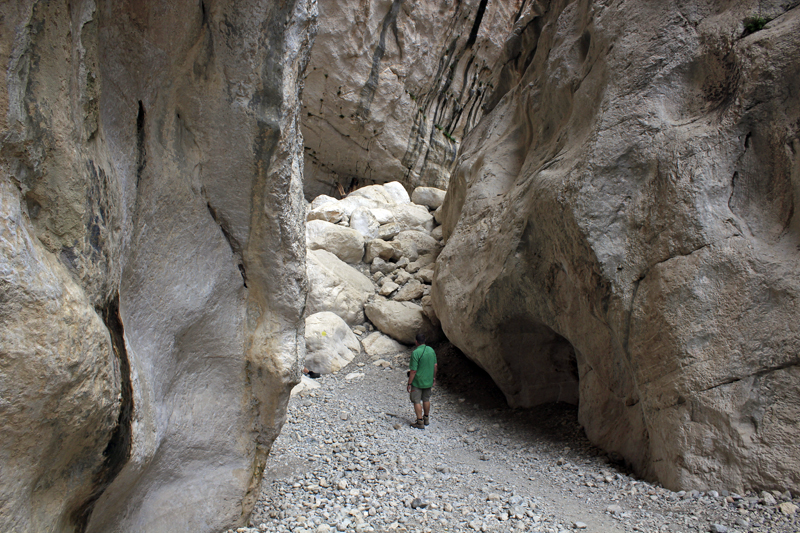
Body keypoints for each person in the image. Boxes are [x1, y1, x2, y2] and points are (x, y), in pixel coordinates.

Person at [406, 333, 437, 429]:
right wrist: (434, 377)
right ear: (425, 341)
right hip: (428, 380)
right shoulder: (431, 350)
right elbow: (435, 365)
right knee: (426, 399)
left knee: (416, 401)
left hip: (417, 382)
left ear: (416, 342)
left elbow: (413, 370)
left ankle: (419, 422)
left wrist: (409, 383)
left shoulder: (416, 353)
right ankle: (426, 418)